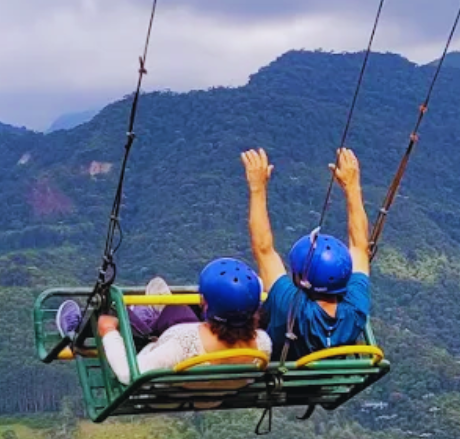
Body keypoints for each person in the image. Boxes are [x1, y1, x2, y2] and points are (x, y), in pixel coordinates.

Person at [241, 146, 372, 360]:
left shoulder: (291, 306)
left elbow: (264, 249)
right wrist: (352, 187)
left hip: (284, 383)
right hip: (321, 383)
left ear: (301, 280)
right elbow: (359, 247)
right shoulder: (355, 308)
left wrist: (257, 188)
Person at [55, 258, 271, 386]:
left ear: (205, 303)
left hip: (176, 377)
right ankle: (152, 315)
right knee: (174, 308)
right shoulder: (262, 343)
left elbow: (128, 374)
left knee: (109, 312)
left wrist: (109, 331)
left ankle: (76, 331)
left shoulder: (184, 340)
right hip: (216, 387)